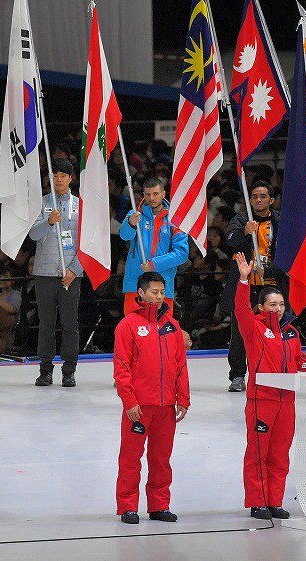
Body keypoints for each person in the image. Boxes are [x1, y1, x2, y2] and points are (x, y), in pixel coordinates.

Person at [233, 252, 306, 520]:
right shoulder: (253, 328)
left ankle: (274, 500)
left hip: (286, 402)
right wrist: (242, 280)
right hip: (261, 401)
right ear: (261, 308)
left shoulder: (291, 333)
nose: (277, 309)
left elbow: (299, 363)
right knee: (258, 453)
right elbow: (240, 309)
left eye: (281, 304)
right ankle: (257, 501)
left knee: (280, 454)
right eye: (272, 305)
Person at [113, 272, 189, 525]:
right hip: (139, 406)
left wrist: (183, 398)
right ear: (141, 293)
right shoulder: (128, 325)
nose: (158, 297)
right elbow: (121, 366)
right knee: (130, 458)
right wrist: (129, 401)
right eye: (153, 292)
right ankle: (128, 506)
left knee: (161, 459)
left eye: (161, 292)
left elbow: (180, 364)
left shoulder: (172, 326)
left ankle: (159, 505)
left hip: (166, 405)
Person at [222, 181, 287, 392]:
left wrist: (270, 271)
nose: (258, 200)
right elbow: (230, 239)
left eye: (263, 196)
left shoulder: (280, 221)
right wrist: (243, 231)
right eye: (255, 197)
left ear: (271, 199)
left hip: (271, 286)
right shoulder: (241, 218)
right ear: (250, 200)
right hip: (245, 287)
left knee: (274, 332)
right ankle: (238, 375)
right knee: (240, 333)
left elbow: (289, 254)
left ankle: (272, 373)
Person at [29, 159, 83, 388]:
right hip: (44, 273)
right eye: (55, 175)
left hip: (71, 273)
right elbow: (32, 234)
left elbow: (86, 243)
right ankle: (45, 370)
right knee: (46, 324)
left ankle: (69, 370)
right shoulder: (40, 204)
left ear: (71, 178)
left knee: (70, 324)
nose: (58, 179)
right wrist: (49, 222)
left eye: (63, 175)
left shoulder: (80, 205)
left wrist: (74, 270)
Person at [119, 177, 189, 316]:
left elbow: (182, 253)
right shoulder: (134, 214)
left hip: (162, 286)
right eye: (148, 194)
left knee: (161, 333)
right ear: (143, 194)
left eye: (156, 194)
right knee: (133, 332)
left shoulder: (175, 219)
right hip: (135, 283)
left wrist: (153, 265)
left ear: (163, 194)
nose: (152, 198)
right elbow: (124, 236)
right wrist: (131, 224)